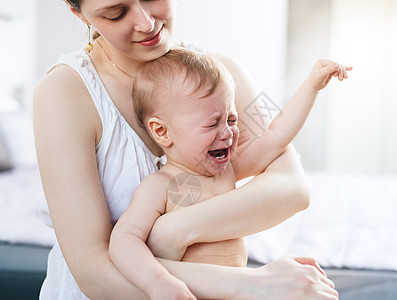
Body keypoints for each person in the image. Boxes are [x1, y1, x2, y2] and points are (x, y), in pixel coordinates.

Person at [33, 0, 345, 299]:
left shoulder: (221, 73)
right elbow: (94, 272)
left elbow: (291, 183)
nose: (146, 23)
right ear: (79, 12)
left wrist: (174, 230)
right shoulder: (63, 93)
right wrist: (253, 285)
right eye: (116, 13)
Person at [110, 48, 351, 299]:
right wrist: (157, 281)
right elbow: (124, 240)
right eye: (212, 123)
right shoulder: (160, 186)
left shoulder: (228, 169)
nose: (227, 133)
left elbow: (276, 135)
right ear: (162, 131)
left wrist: (312, 85)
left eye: (232, 120)